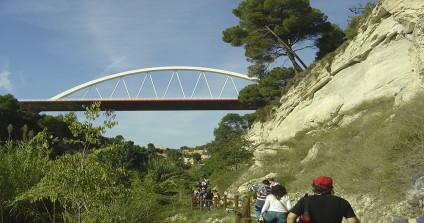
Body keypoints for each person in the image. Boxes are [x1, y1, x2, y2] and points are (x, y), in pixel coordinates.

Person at [287, 176, 360, 223]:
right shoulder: (342, 202)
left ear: (315, 187)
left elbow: (291, 218)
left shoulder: (305, 200)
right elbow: (353, 221)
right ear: (331, 187)